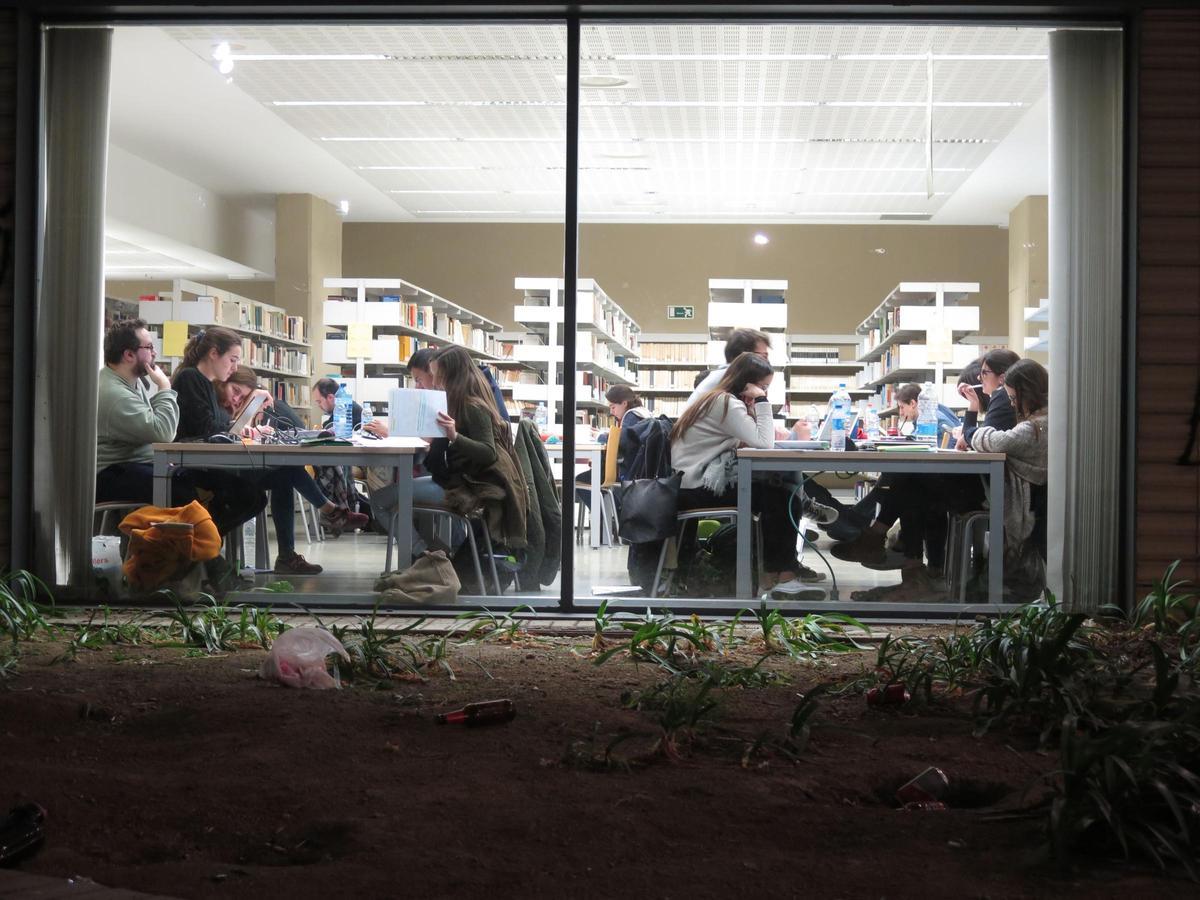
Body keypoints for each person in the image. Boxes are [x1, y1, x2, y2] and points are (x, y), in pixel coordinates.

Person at [173, 328, 366, 574]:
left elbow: (218, 430)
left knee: (284, 472)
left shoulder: (206, 384)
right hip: (202, 466)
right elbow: (209, 429)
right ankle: (205, 546)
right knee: (277, 477)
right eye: (232, 360)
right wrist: (244, 421)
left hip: (217, 461)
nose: (234, 367)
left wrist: (243, 428)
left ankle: (294, 547)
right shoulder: (191, 378)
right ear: (213, 354)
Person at [669, 352, 812, 595]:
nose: (764, 391)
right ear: (748, 382)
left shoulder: (716, 399)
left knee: (781, 493)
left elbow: (750, 441)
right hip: (696, 489)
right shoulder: (725, 403)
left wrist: (754, 410)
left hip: (691, 483)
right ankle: (781, 575)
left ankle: (777, 574)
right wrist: (762, 402)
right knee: (782, 497)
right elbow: (766, 444)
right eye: (763, 386)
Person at [421, 345, 530, 554]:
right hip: (468, 479)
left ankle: (427, 556)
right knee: (403, 494)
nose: (434, 382)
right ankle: (434, 557)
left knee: (388, 498)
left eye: (439, 376)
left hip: (473, 485)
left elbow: (489, 453)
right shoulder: (460, 401)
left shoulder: (472, 406)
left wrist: (454, 436)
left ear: (453, 376)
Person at [966, 358, 1048, 600]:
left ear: (1027, 394)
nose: (1012, 405)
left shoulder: (1035, 428)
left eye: (1013, 399)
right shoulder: (1045, 421)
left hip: (1031, 501)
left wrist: (973, 425)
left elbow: (994, 441)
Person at [95, 318, 195, 507]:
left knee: (196, 482)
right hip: (111, 474)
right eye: (149, 347)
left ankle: (199, 535)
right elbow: (163, 433)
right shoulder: (116, 394)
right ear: (129, 355)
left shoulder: (132, 382)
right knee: (184, 490)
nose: (154, 353)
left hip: (133, 465)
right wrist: (165, 387)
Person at [576, 385, 653, 507]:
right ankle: (606, 518)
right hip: (637, 472)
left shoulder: (631, 416)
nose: (611, 412)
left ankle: (599, 520)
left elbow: (620, 441)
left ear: (624, 403)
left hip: (625, 473)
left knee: (580, 480)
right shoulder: (643, 413)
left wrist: (600, 436)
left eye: (613, 407)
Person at [685, 328, 773, 410]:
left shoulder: (726, 376)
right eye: (763, 356)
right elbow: (750, 425)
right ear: (745, 356)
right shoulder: (731, 383)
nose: (767, 362)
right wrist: (761, 398)